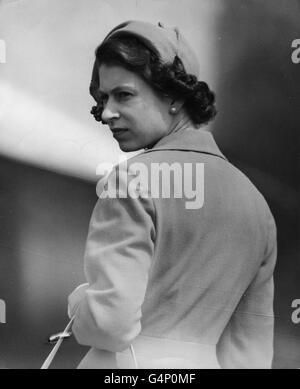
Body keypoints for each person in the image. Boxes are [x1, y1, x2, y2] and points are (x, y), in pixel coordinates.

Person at [67, 20, 277, 369]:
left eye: (124, 95)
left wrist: (78, 302)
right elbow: (250, 353)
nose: (106, 113)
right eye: (104, 98)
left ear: (174, 96)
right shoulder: (255, 203)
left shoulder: (133, 180)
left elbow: (109, 324)